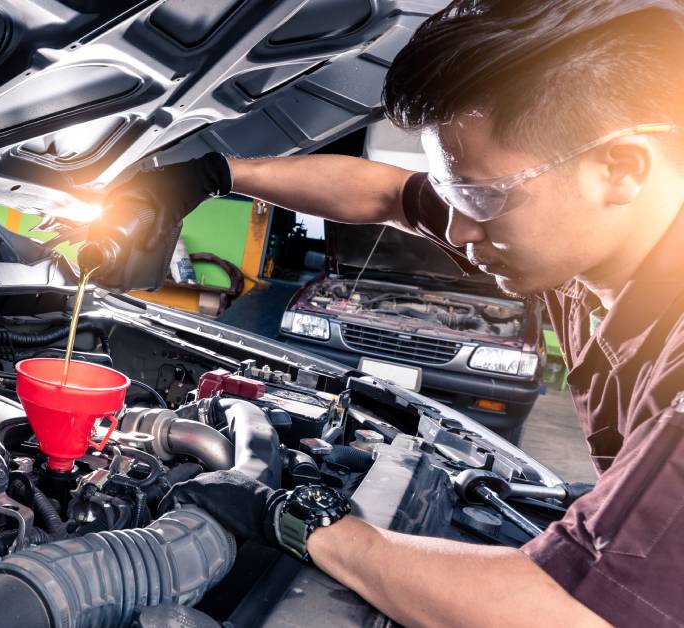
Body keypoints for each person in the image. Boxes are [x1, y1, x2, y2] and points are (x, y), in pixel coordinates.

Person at [105, 1, 684, 626]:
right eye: (451, 192)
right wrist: (213, 173)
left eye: (479, 196)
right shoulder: (585, 245)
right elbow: (386, 194)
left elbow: (564, 612)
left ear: (622, 169)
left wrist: (298, 521)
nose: (457, 230)